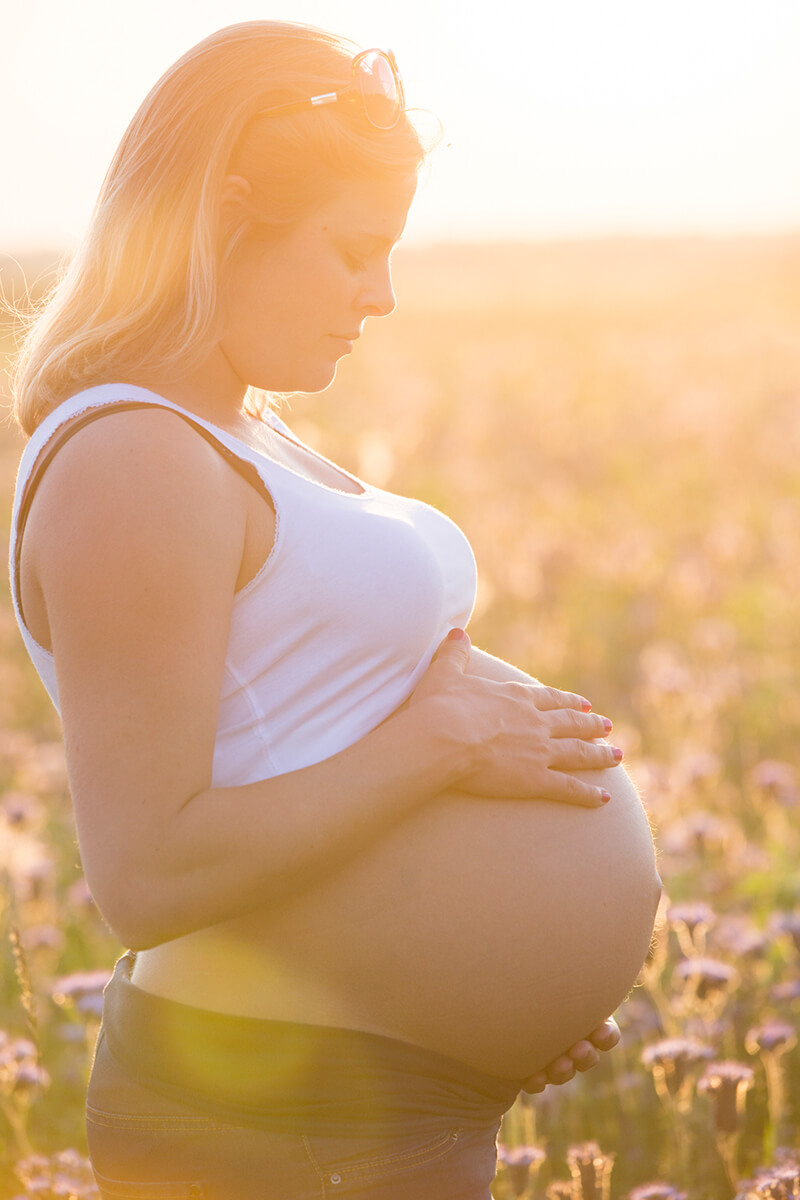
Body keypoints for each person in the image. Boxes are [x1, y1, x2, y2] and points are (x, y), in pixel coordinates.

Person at [8, 20, 661, 1199]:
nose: (383, 293)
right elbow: (144, 874)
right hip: (276, 1113)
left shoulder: (228, 430)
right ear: (227, 218)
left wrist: (493, 1021)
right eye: (354, 249)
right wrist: (446, 742)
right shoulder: (131, 465)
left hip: (352, 1101)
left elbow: (302, 730)